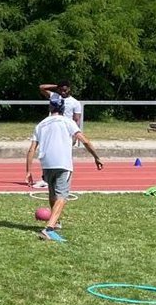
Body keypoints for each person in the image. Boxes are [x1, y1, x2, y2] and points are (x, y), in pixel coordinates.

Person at [26, 97, 104, 241]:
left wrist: (28, 171)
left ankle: (56, 222)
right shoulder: (68, 122)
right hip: (62, 163)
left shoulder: (41, 124)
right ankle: (49, 228)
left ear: (50, 108)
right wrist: (96, 157)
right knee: (62, 196)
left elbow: (31, 150)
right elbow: (84, 140)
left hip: (46, 163)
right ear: (63, 108)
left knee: (52, 193)